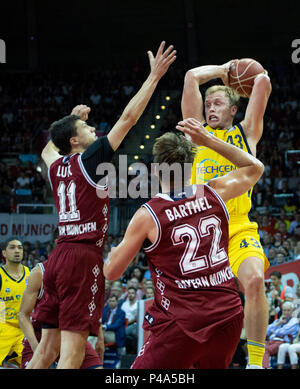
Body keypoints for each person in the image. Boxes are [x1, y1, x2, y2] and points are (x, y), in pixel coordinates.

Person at [26, 41, 176, 369]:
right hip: (82, 258)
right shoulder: (90, 159)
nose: (94, 129)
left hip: (58, 256)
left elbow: (48, 149)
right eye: (86, 128)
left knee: (46, 347)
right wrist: (153, 78)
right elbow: (129, 117)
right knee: (73, 352)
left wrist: (70, 120)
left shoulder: (56, 165)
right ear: (76, 142)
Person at [103, 117, 264, 369]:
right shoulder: (215, 191)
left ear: (155, 170)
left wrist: (114, 253)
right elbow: (255, 167)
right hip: (228, 315)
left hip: (182, 323)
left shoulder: (148, 215)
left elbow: (111, 271)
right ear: (192, 165)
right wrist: (208, 139)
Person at [181, 59, 272, 368]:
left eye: (218, 102)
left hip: (238, 228)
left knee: (256, 281)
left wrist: (243, 72)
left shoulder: (247, 133)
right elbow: (191, 76)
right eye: (208, 103)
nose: (210, 107)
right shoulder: (196, 134)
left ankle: (256, 363)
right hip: (202, 233)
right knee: (201, 314)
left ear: (234, 109)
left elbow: (262, 81)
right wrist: (222, 69)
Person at [19, 260, 103, 369]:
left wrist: (100, 339)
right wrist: (36, 348)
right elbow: (22, 315)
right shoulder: (39, 272)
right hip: (41, 337)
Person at [0, 238, 30, 368]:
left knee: (35, 364)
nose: (17, 250)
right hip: (3, 327)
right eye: (12, 247)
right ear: (4, 253)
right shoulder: (1, 275)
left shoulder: (31, 274)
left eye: (20, 247)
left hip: (23, 331)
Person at [262, 301, 299, 369]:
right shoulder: (279, 320)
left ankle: (266, 367)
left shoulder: (294, 321)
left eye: (288, 310)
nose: (286, 312)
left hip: (284, 341)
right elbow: (266, 331)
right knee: (260, 346)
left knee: (266, 349)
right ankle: (262, 366)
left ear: (292, 311)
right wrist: (278, 323)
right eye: (284, 310)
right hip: (272, 340)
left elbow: (283, 331)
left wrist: (274, 331)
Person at [121, 287, 138, 353]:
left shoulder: (138, 304)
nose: (130, 295)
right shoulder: (124, 304)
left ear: (135, 294)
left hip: (133, 324)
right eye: (129, 293)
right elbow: (121, 316)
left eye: (132, 293)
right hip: (123, 324)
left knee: (122, 332)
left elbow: (136, 318)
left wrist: (127, 323)